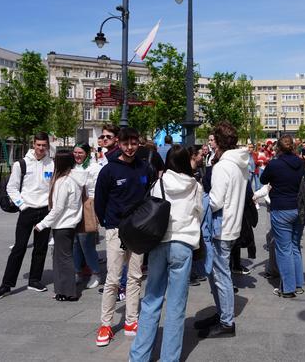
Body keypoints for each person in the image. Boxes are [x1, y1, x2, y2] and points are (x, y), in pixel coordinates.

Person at [129, 146, 204, 362]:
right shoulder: (195, 186)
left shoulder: (159, 183)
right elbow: (199, 213)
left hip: (159, 242)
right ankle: (169, 358)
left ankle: (139, 356)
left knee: (152, 299)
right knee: (176, 304)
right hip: (183, 244)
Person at [94, 127, 150, 347]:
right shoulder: (109, 171)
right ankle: (106, 324)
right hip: (116, 229)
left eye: (133, 143)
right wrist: (108, 224)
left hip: (138, 230)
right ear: (119, 143)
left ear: (138, 143)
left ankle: (131, 320)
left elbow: (150, 194)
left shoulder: (144, 167)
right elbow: (100, 201)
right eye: (126, 143)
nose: (130, 147)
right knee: (113, 278)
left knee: (135, 277)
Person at [194, 122, 249, 339]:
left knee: (221, 275)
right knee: (218, 273)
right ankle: (221, 314)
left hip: (221, 226)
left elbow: (215, 201)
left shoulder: (222, 167)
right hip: (232, 224)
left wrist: (198, 194)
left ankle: (226, 321)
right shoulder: (239, 163)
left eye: (212, 139)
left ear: (218, 142)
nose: (210, 143)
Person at [0, 132, 55, 301]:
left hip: (45, 211)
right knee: (19, 248)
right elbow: (11, 188)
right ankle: (6, 285)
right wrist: (23, 206)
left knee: (41, 249)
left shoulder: (52, 164)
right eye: (38, 145)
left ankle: (35, 280)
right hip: (27, 211)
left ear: (48, 145)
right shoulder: (22, 164)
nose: (41, 148)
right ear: (33, 144)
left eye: (44, 145)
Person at [259, 135, 305, 297]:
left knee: (284, 249)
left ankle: (288, 288)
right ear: (293, 147)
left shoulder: (274, 164)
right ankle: (298, 283)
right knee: (295, 246)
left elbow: (263, 179)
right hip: (298, 208)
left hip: (281, 209)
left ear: (278, 148)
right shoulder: (300, 162)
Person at [34, 151, 83, 301]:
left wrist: (42, 224)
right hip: (69, 223)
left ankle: (68, 291)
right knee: (60, 257)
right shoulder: (74, 180)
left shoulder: (64, 181)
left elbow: (58, 208)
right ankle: (62, 289)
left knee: (63, 258)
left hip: (63, 224)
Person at [71, 143, 101, 289]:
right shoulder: (72, 166)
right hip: (72, 206)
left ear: (87, 153)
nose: (77, 155)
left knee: (86, 242)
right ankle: (77, 271)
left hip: (87, 205)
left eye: (80, 152)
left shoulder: (94, 168)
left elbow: (96, 189)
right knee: (75, 242)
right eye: (75, 152)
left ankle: (95, 272)